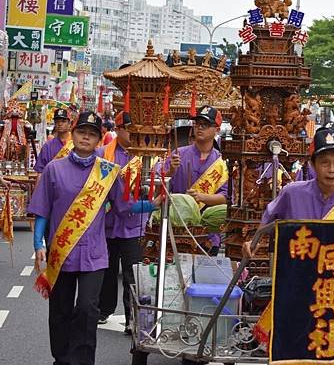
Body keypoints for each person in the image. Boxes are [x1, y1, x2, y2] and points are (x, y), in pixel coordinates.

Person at [28, 111, 162, 365]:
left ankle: (83, 360)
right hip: (62, 251)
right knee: (60, 310)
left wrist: (152, 205)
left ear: (98, 139)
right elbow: (42, 209)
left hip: (94, 253)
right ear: (74, 134)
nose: (85, 138)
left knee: (88, 309)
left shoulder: (107, 173)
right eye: (82, 132)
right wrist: (38, 244)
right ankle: (62, 358)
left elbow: (123, 206)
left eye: (92, 134)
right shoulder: (54, 170)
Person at [244, 128, 334, 258]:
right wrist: (253, 243)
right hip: (295, 271)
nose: (332, 170)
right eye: (324, 163)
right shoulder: (291, 193)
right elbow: (267, 220)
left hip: (332, 274)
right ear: (313, 164)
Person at [96, 112, 147, 333]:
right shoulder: (102, 155)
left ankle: (131, 318)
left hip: (134, 224)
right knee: (106, 271)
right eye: (128, 127)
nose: (132, 132)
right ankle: (103, 310)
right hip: (107, 223)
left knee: (131, 275)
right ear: (118, 129)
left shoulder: (147, 155)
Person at [158, 105, 228, 255]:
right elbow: (160, 188)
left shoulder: (222, 162)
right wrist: (171, 170)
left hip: (207, 233)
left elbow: (226, 197)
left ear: (217, 129)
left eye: (205, 125)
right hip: (177, 228)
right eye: (197, 124)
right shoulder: (178, 155)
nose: (200, 128)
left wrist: (203, 197)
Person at [34, 108, 73, 175]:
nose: (60, 124)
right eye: (57, 121)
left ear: (69, 124)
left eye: (63, 121)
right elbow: (40, 172)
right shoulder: (48, 146)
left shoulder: (76, 143)